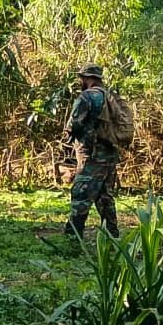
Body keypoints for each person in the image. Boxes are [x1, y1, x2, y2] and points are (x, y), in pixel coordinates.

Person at [63, 64, 119, 238]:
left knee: (81, 192)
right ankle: (112, 235)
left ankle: (73, 235)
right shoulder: (111, 97)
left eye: (82, 78)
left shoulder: (87, 97)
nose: (81, 81)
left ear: (88, 78)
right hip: (110, 153)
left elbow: (74, 124)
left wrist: (67, 140)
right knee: (105, 196)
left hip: (91, 154)